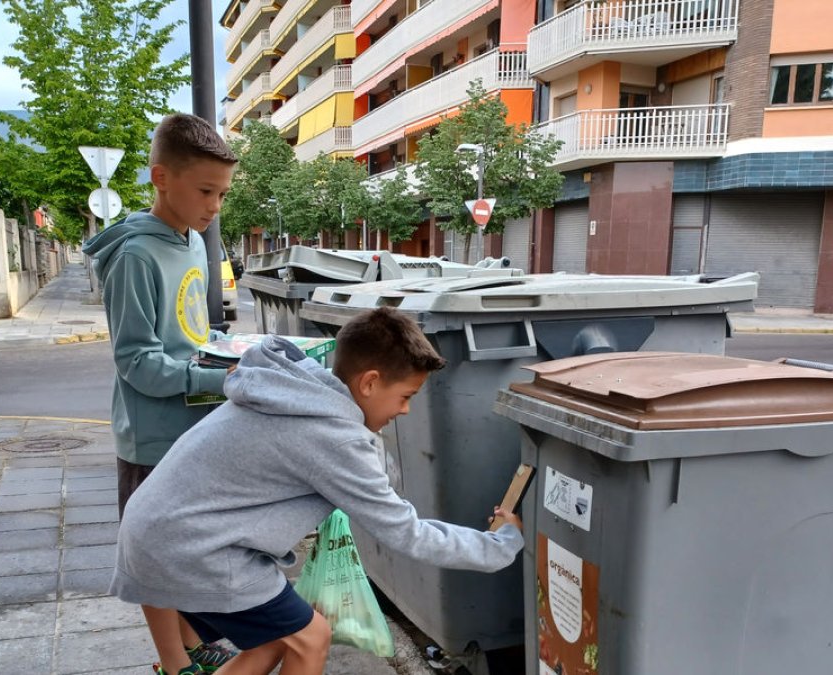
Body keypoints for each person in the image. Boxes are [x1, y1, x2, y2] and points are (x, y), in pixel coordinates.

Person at [110, 307, 525, 675]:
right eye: (405, 396)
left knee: (282, 633)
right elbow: (405, 531)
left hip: (158, 530)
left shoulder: (298, 389)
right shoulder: (332, 436)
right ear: (369, 383)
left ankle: (180, 666)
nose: (406, 410)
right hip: (193, 549)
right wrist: (502, 543)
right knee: (310, 637)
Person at [83, 113, 239, 675]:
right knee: (155, 553)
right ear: (159, 178)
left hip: (194, 426)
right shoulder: (135, 257)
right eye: (204, 191)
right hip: (151, 438)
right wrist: (216, 379)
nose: (214, 206)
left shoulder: (192, 241)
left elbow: (190, 333)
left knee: (184, 547)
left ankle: (194, 639)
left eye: (221, 193)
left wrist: (229, 348)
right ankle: (174, 663)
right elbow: (137, 363)